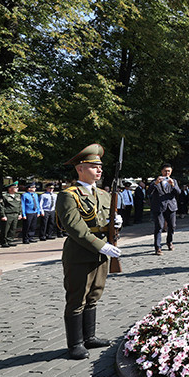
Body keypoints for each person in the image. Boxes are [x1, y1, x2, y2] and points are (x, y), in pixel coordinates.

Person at [55, 143, 122, 360]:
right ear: (80, 168)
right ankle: (75, 343)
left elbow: (105, 222)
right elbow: (75, 227)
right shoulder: (69, 195)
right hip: (80, 253)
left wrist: (117, 224)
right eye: (93, 166)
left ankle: (89, 337)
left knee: (94, 294)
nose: (99, 170)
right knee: (77, 297)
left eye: (100, 166)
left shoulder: (103, 194)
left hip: (102, 253)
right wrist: (100, 245)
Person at [148, 163, 180, 255]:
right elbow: (148, 192)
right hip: (159, 207)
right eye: (165, 171)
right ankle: (157, 247)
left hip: (171, 207)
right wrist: (155, 184)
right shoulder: (155, 181)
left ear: (171, 172)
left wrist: (173, 185)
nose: (167, 173)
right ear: (161, 171)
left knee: (172, 226)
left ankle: (169, 242)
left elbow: (178, 192)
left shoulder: (173, 181)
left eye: (168, 171)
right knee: (159, 227)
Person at [0, 182, 22, 248]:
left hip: (15, 214)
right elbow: (2, 207)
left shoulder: (18, 196)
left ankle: (10, 240)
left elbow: (19, 205)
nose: (17, 189)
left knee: (13, 229)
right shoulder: (4, 196)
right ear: (10, 188)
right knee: (6, 229)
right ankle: (4, 242)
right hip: (8, 214)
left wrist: (20, 214)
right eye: (15, 187)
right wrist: (3, 215)